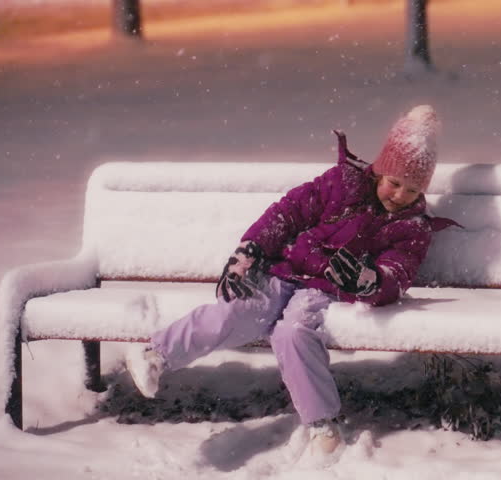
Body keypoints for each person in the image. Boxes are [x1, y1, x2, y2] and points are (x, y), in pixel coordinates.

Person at [126, 105, 455, 458]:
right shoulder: (341, 183)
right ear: (379, 172)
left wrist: (370, 281)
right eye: (394, 182)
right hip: (282, 269)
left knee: (294, 332)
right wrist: (250, 251)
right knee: (238, 312)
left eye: (411, 189)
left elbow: (399, 271)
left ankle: (321, 424)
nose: (399, 195)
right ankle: (156, 355)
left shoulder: (413, 228)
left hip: (326, 287)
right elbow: (287, 213)